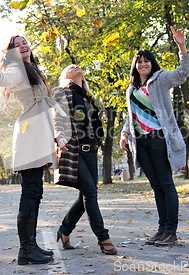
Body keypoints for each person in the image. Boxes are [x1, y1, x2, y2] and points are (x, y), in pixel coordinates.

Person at [0, 35, 57, 265]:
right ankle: (26, 248)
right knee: (30, 192)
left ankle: (30, 246)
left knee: (35, 192)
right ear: (12, 52)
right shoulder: (17, 68)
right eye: (17, 44)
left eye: (25, 41)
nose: (23, 45)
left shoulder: (31, 68)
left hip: (38, 130)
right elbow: (4, 79)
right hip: (30, 133)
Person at [119, 26, 189, 247]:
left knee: (166, 184)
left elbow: (182, 72)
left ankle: (172, 231)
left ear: (152, 64)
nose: (143, 64)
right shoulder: (131, 88)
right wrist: (124, 133)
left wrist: (181, 46)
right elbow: (131, 114)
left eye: (146, 61)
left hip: (159, 138)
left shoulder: (160, 79)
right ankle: (162, 229)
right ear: (135, 65)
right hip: (140, 141)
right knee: (156, 187)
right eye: (139, 61)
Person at [53, 64, 117, 255]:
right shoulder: (62, 93)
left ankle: (64, 230)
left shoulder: (89, 97)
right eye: (70, 67)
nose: (75, 66)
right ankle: (103, 238)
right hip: (74, 150)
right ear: (66, 76)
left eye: (77, 65)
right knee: (90, 192)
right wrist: (59, 136)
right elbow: (57, 118)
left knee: (86, 196)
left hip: (91, 150)